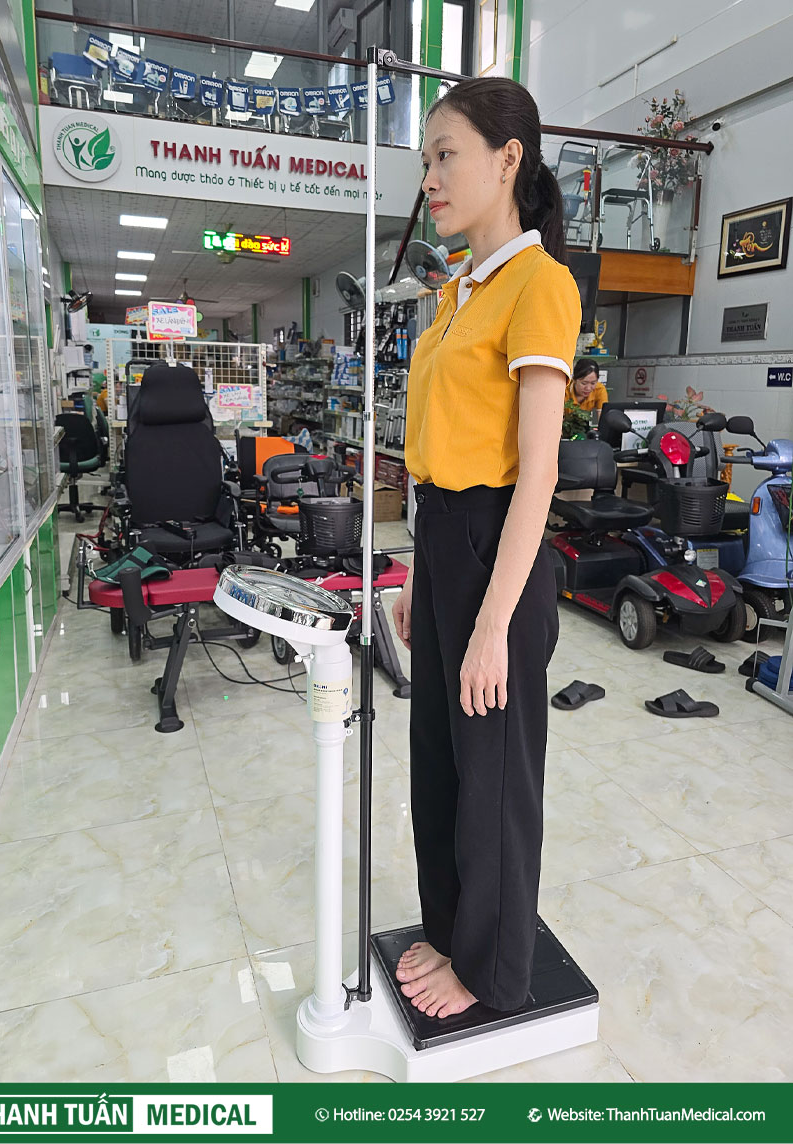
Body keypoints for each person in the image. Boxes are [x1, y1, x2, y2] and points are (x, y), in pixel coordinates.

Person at [391, 76, 581, 1020]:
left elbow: (536, 474)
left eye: (446, 155)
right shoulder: (456, 293)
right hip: (443, 538)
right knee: (439, 756)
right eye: (426, 159)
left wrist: (494, 622)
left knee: (495, 771)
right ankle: (450, 928)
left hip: (497, 542)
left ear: (508, 161)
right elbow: (439, 447)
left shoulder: (541, 286)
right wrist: (416, 571)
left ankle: (492, 971)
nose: (429, 177)